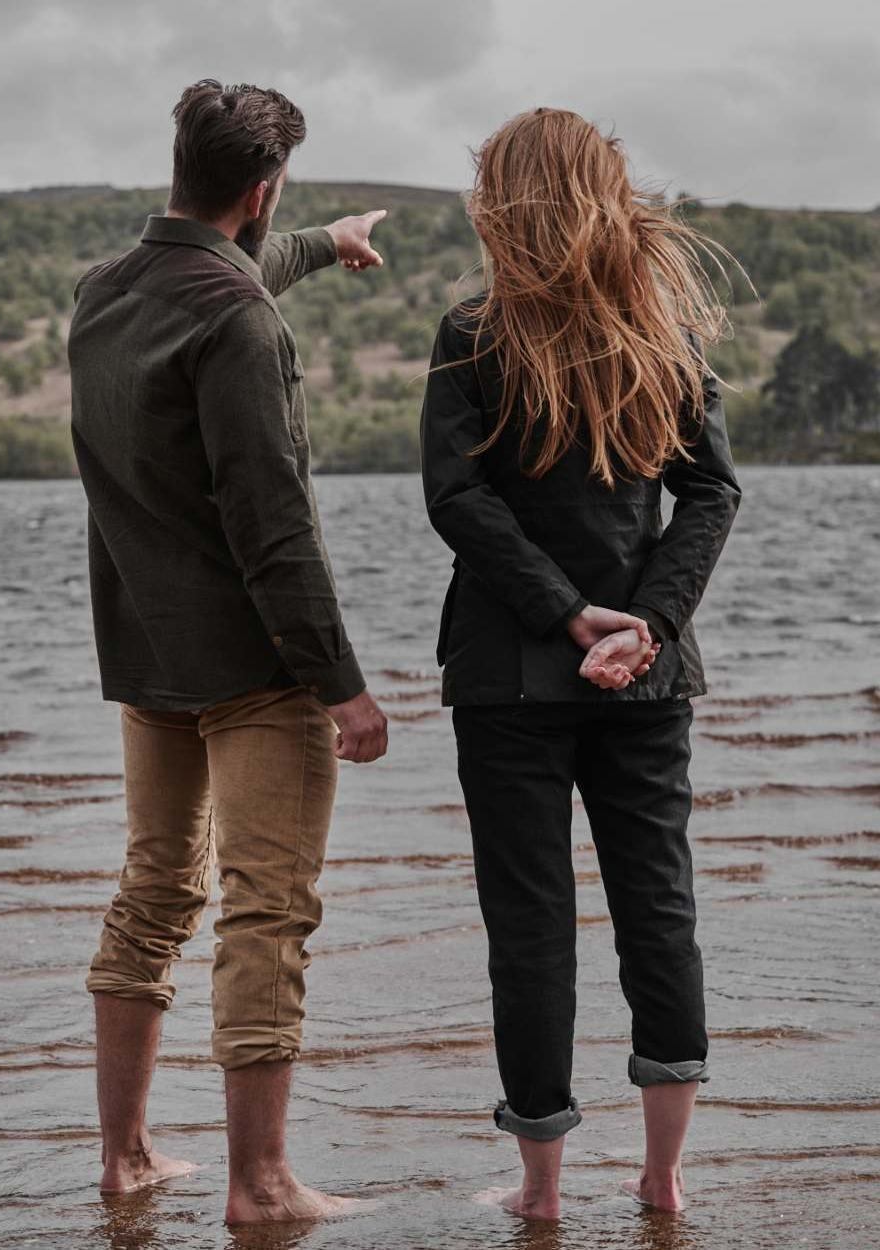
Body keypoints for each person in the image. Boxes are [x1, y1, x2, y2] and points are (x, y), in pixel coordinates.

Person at [67, 79, 389, 1222]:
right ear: (260, 188)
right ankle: (259, 1181)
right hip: (256, 671)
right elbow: (273, 521)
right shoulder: (241, 321)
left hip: (146, 659)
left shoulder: (102, 293)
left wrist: (325, 240)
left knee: (153, 890)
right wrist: (340, 683)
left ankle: (128, 1157)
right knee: (267, 908)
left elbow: (230, 270)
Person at [420, 107, 743, 1220]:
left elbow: (456, 501)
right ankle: (662, 1178)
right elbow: (712, 491)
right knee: (659, 905)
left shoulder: (472, 331)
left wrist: (570, 617)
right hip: (644, 671)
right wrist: (643, 623)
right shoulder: (661, 330)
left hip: (510, 672)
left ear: (501, 201)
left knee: (530, 917)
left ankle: (542, 1190)